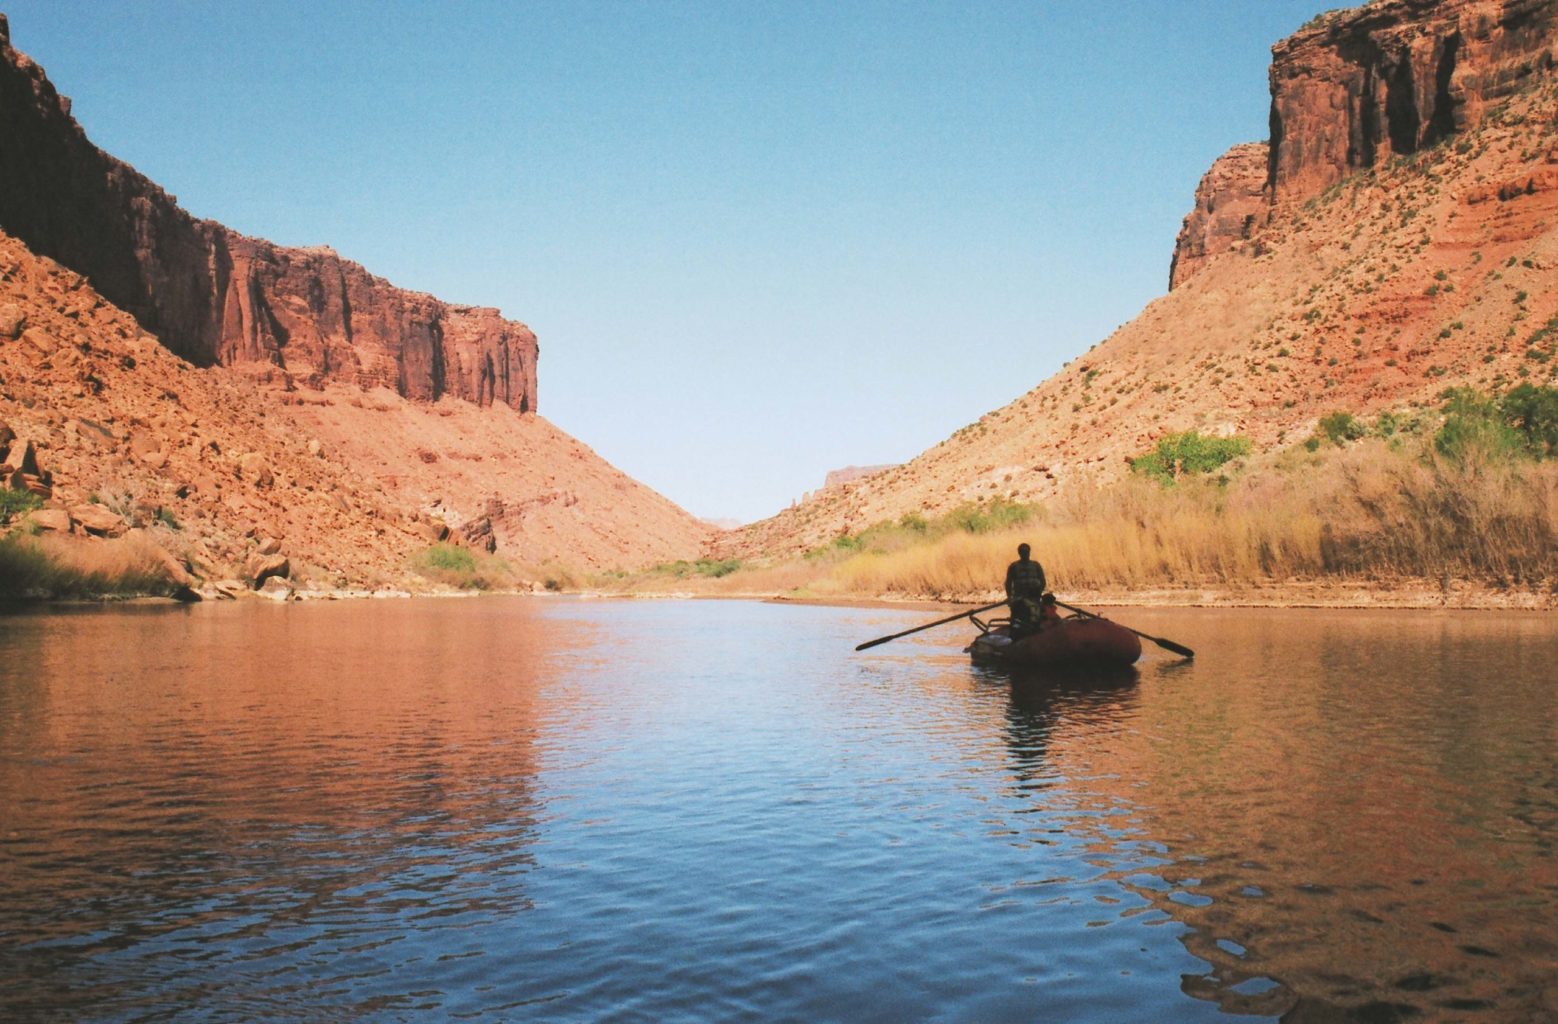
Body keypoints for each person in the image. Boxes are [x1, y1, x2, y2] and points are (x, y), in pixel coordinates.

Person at [1004, 543, 1047, 638]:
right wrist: (1009, 597)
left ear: (1029, 552)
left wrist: (1038, 593)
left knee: (1035, 618)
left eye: (1027, 552)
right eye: (1023, 552)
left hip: (1034, 598)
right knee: (1017, 620)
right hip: (1018, 599)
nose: (1025, 554)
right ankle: (1014, 636)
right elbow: (1008, 583)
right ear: (1019, 553)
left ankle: (1036, 634)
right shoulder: (1013, 566)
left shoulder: (1036, 565)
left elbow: (1043, 581)